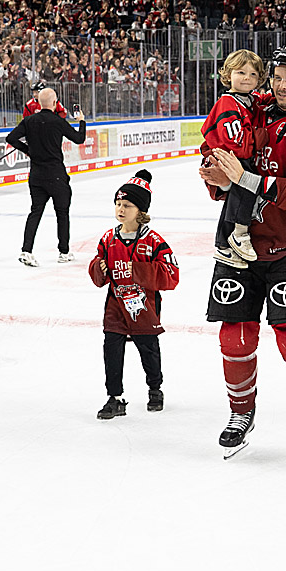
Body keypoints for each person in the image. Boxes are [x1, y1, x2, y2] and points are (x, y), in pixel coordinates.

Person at [198, 43, 286, 471]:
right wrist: (215, 175)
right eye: (277, 76)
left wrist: (245, 177)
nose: (281, 85)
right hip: (238, 246)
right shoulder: (249, 108)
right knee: (233, 337)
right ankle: (241, 413)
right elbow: (221, 159)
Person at [88, 170, 180, 419]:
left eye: (127, 205)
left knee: (148, 348)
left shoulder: (153, 241)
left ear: (140, 210)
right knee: (112, 348)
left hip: (144, 307)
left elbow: (172, 274)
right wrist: (99, 269)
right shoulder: (108, 239)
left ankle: (155, 388)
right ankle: (114, 397)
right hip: (115, 306)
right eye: (118, 203)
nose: (120, 208)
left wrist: (140, 270)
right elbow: (97, 274)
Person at [199, 49, 269, 268]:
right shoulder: (228, 103)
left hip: (233, 155)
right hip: (229, 156)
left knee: (235, 196)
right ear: (228, 75)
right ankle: (239, 232)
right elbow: (235, 142)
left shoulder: (248, 99)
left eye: (253, 74)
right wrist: (257, 139)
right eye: (241, 72)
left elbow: (263, 100)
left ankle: (223, 246)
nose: (247, 78)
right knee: (247, 181)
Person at [6, 87, 86, 267]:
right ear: (54, 103)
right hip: (56, 174)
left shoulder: (29, 120)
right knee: (62, 213)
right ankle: (64, 252)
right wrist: (81, 121)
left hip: (36, 174)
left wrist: (29, 151)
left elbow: (11, 138)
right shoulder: (58, 121)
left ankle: (26, 250)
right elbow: (79, 139)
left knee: (35, 212)